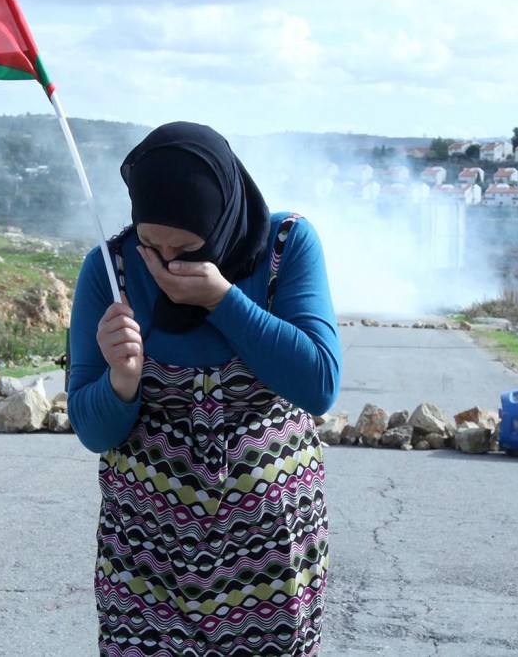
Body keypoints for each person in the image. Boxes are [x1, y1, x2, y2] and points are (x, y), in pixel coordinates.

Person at [67, 122, 342, 657]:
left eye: (188, 247)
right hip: (146, 561)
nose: (169, 264)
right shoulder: (111, 269)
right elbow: (92, 429)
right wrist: (121, 380)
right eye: (152, 244)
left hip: (270, 560)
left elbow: (319, 383)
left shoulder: (286, 248)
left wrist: (223, 300)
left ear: (221, 222)